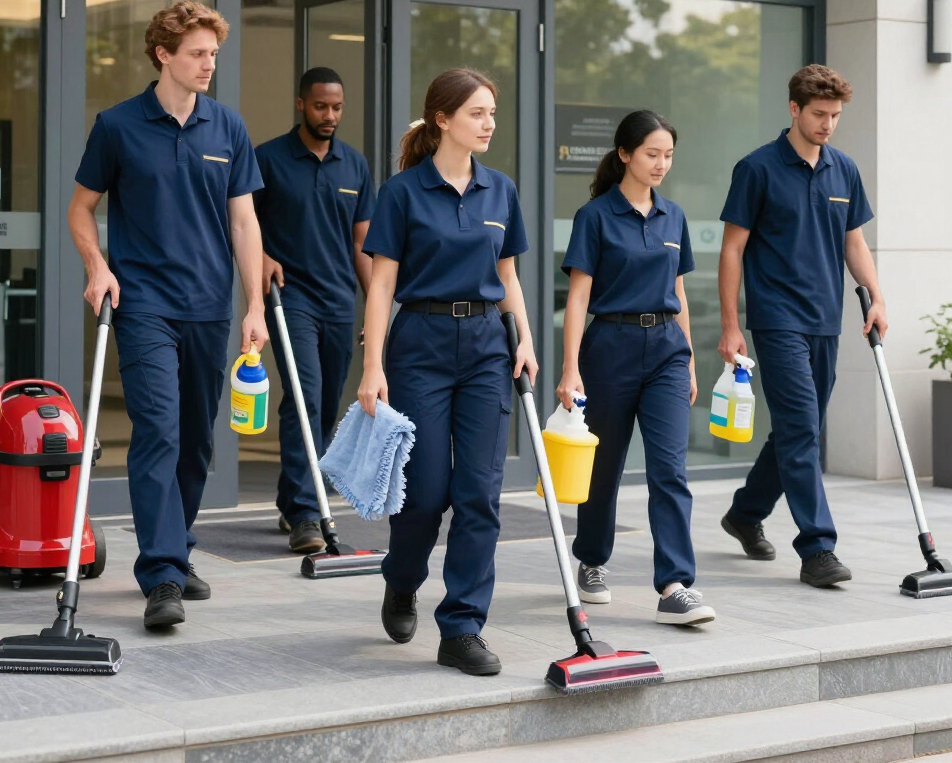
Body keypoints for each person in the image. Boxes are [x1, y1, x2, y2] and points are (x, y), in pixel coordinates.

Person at [68, 1, 267, 630]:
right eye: (198, 53)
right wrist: (98, 268)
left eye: (213, 53)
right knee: (157, 430)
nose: (210, 64)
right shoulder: (119, 125)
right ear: (164, 54)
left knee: (196, 442)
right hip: (145, 303)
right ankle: (159, 574)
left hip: (209, 306)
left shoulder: (227, 128)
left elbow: (244, 221)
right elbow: (80, 209)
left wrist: (254, 304)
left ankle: (176, 550)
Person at [357, 67, 537, 677]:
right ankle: (402, 580)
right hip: (421, 345)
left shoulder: (500, 190)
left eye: (492, 112)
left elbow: (509, 275)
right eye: (478, 113)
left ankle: (461, 626)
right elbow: (381, 285)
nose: (489, 124)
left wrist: (527, 339)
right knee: (426, 495)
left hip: (488, 344)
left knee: (480, 493)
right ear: (442, 120)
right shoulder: (404, 192)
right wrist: (372, 366)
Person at [718, 64, 887, 588]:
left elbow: (852, 241)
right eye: (819, 114)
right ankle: (817, 548)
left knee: (802, 429)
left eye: (835, 116)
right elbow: (733, 249)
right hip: (776, 319)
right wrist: (730, 325)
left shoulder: (844, 170)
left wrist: (876, 297)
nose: (828, 124)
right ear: (794, 109)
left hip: (825, 320)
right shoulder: (758, 168)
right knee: (799, 429)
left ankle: (745, 513)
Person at [558, 110, 715, 626]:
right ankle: (593, 559)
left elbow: (678, 291)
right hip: (611, 347)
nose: (661, 164)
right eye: (652, 154)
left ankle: (675, 584)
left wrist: (689, 357)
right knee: (603, 467)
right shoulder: (596, 216)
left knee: (670, 468)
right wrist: (570, 368)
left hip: (667, 349)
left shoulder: (674, 216)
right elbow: (578, 298)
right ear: (625, 154)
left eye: (668, 155)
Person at [253, 66, 374, 553]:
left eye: (338, 107)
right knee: (304, 396)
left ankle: (291, 496)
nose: (330, 115)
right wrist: (261, 255)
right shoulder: (268, 159)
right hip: (291, 298)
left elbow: (362, 242)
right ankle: (306, 512)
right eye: (321, 106)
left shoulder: (355, 165)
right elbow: (243, 223)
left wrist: (375, 311)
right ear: (301, 104)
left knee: (323, 407)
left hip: (339, 298)